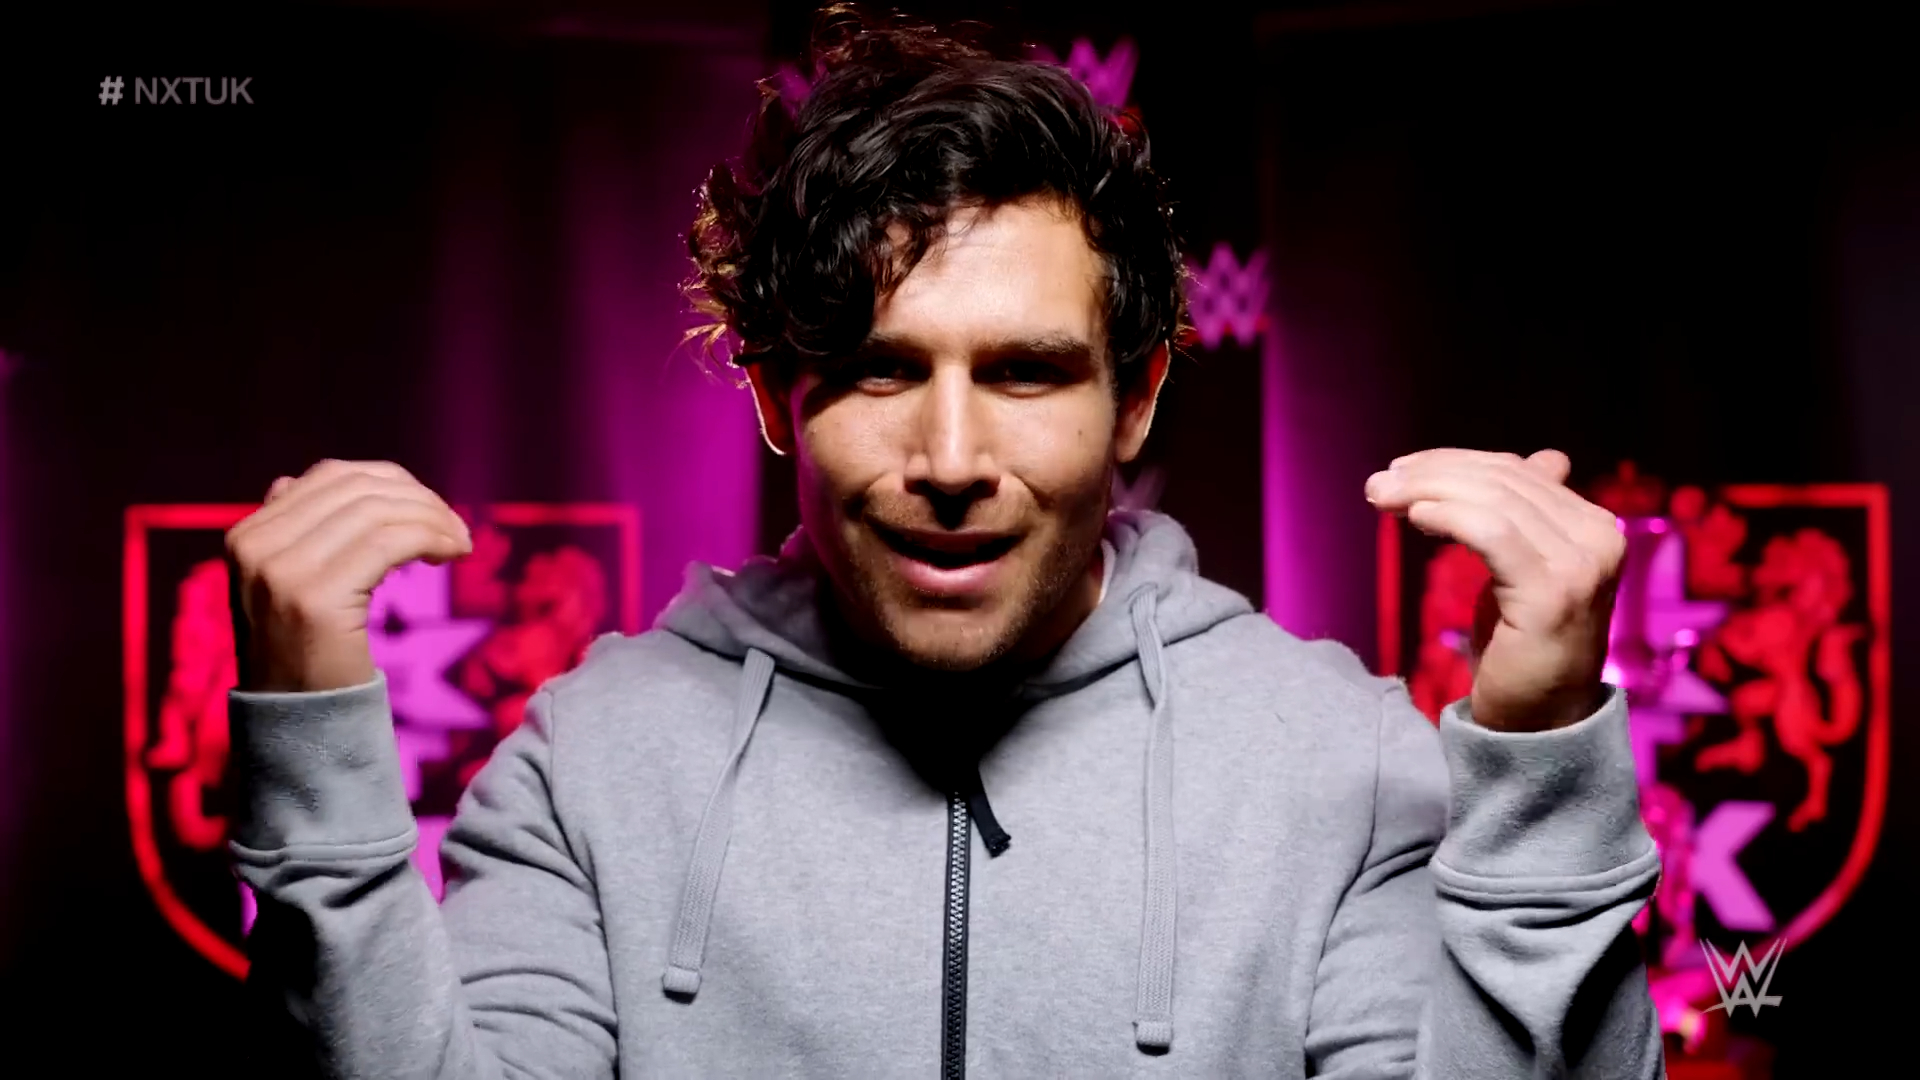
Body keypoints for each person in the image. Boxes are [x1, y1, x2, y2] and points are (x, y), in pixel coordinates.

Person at [225, 12, 1662, 1077]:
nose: (953, 460)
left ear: (1137, 397)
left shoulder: (1339, 765)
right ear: (778, 399)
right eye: (880, 370)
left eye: (1027, 373)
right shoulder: (591, 763)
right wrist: (317, 765)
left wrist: (1541, 757)